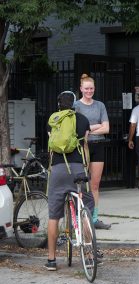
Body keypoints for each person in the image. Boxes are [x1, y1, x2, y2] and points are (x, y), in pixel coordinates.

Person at [45, 91, 94, 271]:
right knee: (85, 207)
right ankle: (90, 255)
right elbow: (85, 146)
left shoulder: (53, 120)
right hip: (77, 168)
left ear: (58, 104)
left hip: (57, 170)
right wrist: (86, 167)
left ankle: (51, 260)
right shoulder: (82, 120)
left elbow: (51, 146)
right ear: (74, 103)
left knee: (53, 216)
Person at [74, 74, 111, 230]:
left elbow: (107, 128)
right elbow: (77, 130)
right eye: (86, 88)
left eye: (91, 88)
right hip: (82, 147)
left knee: (94, 185)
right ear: (81, 89)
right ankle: (81, 217)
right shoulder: (76, 105)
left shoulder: (100, 105)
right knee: (82, 184)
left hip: (98, 146)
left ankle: (94, 218)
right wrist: (95, 126)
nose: (89, 91)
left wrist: (89, 128)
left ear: (94, 89)